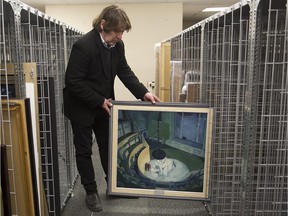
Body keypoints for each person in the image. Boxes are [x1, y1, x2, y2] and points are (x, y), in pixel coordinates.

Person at [63, 4, 160, 212]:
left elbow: (124, 71)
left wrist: (144, 93)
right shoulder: (83, 45)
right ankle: (90, 192)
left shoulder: (117, 46)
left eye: (122, 32)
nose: (120, 37)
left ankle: (114, 185)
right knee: (84, 151)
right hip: (81, 107)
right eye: (117, 31)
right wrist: (99, 100)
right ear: (103, 25)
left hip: (104, 106)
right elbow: (73, 81)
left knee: (108, 147)